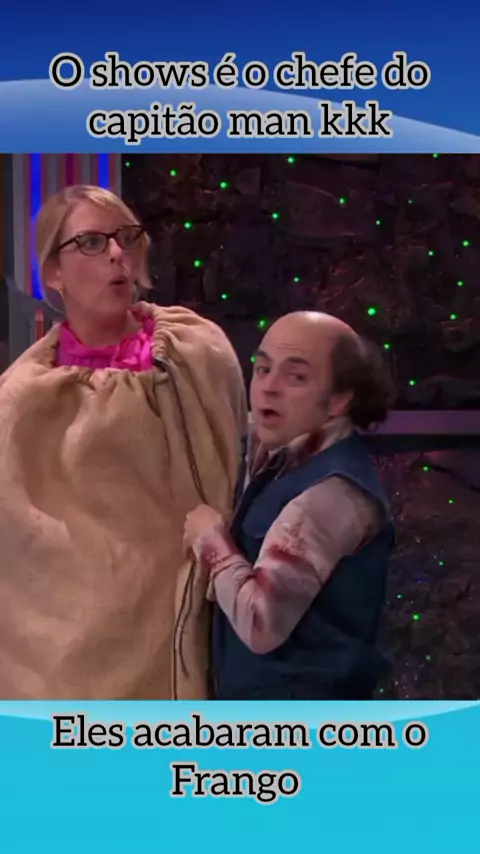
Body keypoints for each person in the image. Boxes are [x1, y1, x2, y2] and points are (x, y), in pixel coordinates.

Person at [0, 184, 247, 700]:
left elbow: (232, 471)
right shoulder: (20, 399)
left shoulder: (196, 352)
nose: (117, 253)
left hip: (196, 631)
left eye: (126, 237)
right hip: (69, 660)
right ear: (53, 272)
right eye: (91, 242)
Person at [183, 311, 395, 700]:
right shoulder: (280, 455)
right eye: (263, 369)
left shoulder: (332, 491)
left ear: (339, 399)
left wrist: (210, 540)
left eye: (295, 377)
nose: (269, 387)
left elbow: (261, 624)